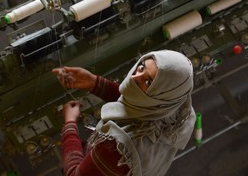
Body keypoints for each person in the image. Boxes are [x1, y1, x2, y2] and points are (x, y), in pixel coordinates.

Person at [52, 50, 196, 176]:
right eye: (141, 67)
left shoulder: (117, 150)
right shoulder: (179, 107)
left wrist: (69, 124)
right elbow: (139, 104)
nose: (134, 78)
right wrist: (94, 82)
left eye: (148, 83)